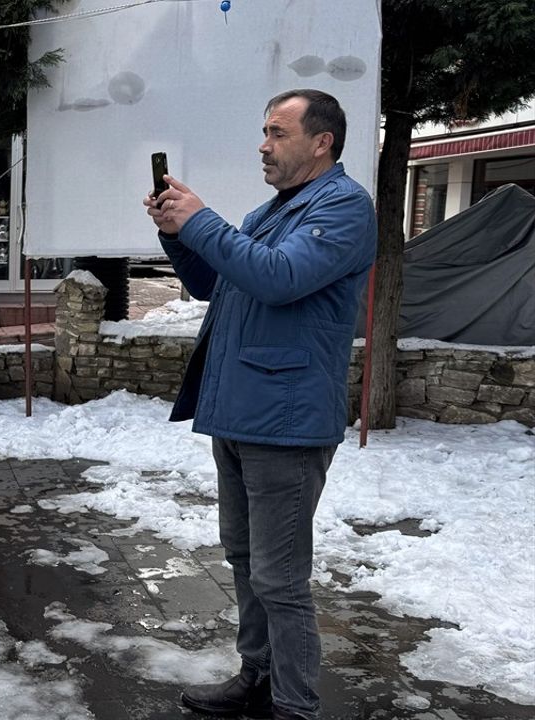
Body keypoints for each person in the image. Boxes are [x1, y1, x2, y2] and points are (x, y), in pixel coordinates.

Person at [143, 89, 376, 720]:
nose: (263, 145)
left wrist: (204, 220)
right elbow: (220, 284)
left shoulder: (344, 207)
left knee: (281, 577)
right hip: (243, 410)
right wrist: (180, 236)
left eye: (276, 132)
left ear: (321, 141)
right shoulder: (276, 210)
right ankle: (257, 676)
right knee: (245, 561)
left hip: (287, 420)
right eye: (264, 132)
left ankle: (295, 706)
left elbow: (278, 278)